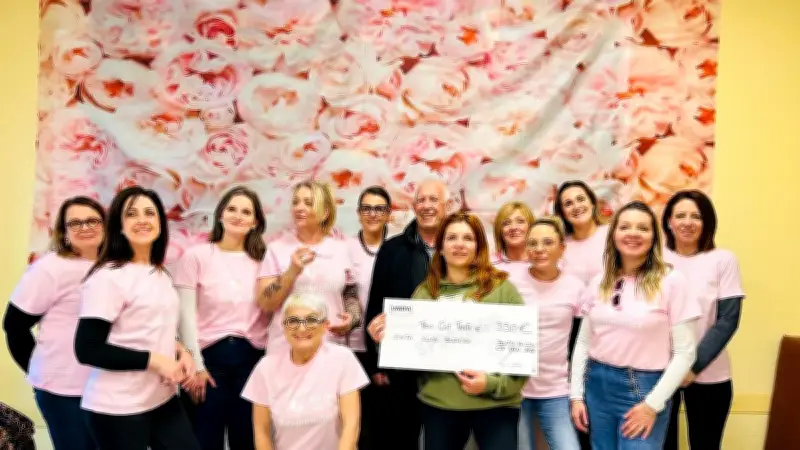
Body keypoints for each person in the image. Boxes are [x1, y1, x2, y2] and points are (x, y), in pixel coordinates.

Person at [371, 211, 527, 449]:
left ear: (479, 246)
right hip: (440, 406)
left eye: (468, 238)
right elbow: (408, 357)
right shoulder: (425, 293)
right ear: (441, 247)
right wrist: (385, 341)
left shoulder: (503, 290)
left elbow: (521, 354)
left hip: (496, 405)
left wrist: (491, 384)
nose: (459, 244)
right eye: (452, 238)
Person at [74, 186, 200, 450]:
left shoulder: (159, 273)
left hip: (162, 399)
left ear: (160, 224)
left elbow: (152, 328)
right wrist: (156, 361)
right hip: (118, 408)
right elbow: (87, 349)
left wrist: (181, 351)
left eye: (149, 213)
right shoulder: (109, 277)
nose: (142, 220)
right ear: (120, 226)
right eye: (132, 214)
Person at [569, 201, 701, 450]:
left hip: (644, 390)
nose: (633, 233)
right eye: (625, 227)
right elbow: (584, 341)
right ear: (614, 235)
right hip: (596, 386)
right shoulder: (599, 282)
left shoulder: (672, 281)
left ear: (654, 237)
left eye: (643, 228)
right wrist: (576, 395)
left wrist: (652, 405)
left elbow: (686, 352)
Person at [2, 196, 105, 450]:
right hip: (63, 390)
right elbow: (14, 325)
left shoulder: (113, 266)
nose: (85, 227)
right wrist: (37, 369)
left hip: (105, 387)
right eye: (75, 223)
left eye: (93, 221)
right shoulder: (50, 268)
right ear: (64, 232)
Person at [175, 186, 270, 450]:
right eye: (232, 209)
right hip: (208, 362)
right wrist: (196, 365)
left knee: (247, 440)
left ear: (255, 222)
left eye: (246, 212)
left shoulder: (264, 260)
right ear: (220, 215)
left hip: (251, 361)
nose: (238, 216)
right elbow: (185, 315)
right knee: (205, 440)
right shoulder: (197, 256)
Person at [363, 179, 450, 450]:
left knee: (443, 441)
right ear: (413, 206)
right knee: (401, 438)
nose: (427, 206)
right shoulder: (392, 250)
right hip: (403, 366)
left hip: (449, 365)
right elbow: (375, 304)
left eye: (433, 200)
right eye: (421, 200)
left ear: (447, 205)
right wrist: (376, 363)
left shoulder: (461, 247)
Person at [661, 190, 745, 450]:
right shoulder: (655, 260)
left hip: (710, 374)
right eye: (680, 216)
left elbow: (727, 320)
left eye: (696, 216)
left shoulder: (723, 260)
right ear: (669, 221)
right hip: (660, 373)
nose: (687, 222)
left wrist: (692, 367)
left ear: (707, 221)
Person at [241, 293, 369, 450]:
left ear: (325, 325)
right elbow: (262, 433)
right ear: (284, 327)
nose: (302, 328)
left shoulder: (343, 359)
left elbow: (351, 426)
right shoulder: (265, 368)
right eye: (293, 321)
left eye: (311, 320)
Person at [256, 180, 361, 353]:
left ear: (325, 212)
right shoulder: (277, 248)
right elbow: (266, 303)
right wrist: (291, 272)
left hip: (330, 346)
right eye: (295, 202)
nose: (299, 208)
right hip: (286, 348)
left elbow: (350, 295)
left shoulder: (342, 249)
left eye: (308, 203)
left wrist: (352, 319)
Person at [515, 217, 582, 450]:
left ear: (561, 248)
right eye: (532, 243)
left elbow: (581, 342)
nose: (539, 249)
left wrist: (577, 392)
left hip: (556, 389)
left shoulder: (575, 287)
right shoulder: (510, 283)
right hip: (515, 388)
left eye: (547, 242)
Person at [344, 186, 392, 449]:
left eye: (379, 209)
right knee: (356, 426)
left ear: (388, 214)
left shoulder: (397, 249)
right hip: (351, 347)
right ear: (359, 212)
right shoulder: (345, 248)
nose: (373, 214)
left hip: (385, 349)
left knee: (385, 425)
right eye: (367, 208)